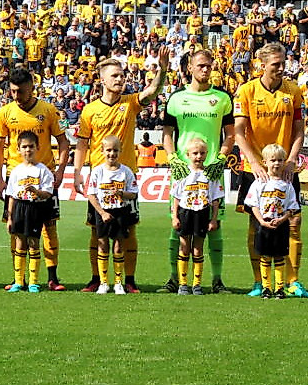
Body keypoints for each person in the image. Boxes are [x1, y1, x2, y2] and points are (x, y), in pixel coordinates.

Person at [75, 47, 169, 293]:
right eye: (115, 76)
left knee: (128, 231)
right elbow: (82, 144)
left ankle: (129, 279)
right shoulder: (90, 110)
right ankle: (97, 279)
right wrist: (77, 172)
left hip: (125, 180)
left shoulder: (129, 103)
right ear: (102, 81)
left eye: (122, 75)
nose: (120, 79)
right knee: (97, 232)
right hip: (99, 180)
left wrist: (162, 70)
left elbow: (153, 91)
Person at [234, 43, 308, 298]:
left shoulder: (293, 91)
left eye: (283, 63)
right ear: (262, 65)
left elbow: (299, 130)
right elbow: (238, 132)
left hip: (284, 167)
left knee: (294, 221)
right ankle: (260, 282)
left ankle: (293, 282)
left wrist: (291, 160)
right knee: (256, 223)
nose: (281, 68)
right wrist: (255, 162)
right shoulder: (246, 91)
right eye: (276, 64)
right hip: (255, 168)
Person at [160, 49, 235, 293]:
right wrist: (173, 158)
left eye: (208, 66)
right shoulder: (176, 98)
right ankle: (174, 278)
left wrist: (221, 158)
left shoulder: (222, 97)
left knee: (214, 224)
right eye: (201, 65)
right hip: (183, 172)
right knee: (178, 225)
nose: (205, 69)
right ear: (190, 68)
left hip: (211, 171)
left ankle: (217, 280)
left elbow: (230, 134)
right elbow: (167, 134)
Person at [0, 67, 70, 290]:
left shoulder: (48, 110)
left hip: (44, 177)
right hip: (16, 177)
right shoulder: (5, 112)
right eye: (13, 91)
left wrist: (60, 171)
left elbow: (63, 142)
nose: (16, 95)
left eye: (21, 91)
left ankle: (52, 277)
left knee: (49, 227)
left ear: (32, 88)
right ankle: (18, 278)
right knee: (15, 228)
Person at [243, 144, 301, 300]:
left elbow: (292, 207)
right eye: (273, 160)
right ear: (265, 162)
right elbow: (253, 204)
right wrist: (261, 221)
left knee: (280, 256)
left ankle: (279, 288)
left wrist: (282, 219)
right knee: (265, 256)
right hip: (263, 225)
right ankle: (266, 287)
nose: (277, 163)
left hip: (281, 225)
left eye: (280, 160)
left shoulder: (287, 184)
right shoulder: (259, 182)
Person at [85, 135, 139, 295]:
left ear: (121, 151)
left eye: (115, 150)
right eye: (108, 150)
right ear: (102, 151)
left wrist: (122, 193)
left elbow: (133, 194)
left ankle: (118, 283)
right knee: (102, 244)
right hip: (103, 212)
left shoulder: (126, 171)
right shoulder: (97, 171)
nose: (112, 153)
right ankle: (103, 283)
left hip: (120, 211)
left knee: (118, 245)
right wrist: (102, 213)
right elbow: (91, 194)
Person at [4, 130, 56, 293]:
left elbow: (48, 193)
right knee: (19, 243)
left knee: (33, 244)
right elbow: (11, 196)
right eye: (24, 147)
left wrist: (36, 191)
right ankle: (18, 281)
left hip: (34, 208)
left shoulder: (43, 170)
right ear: (18, 149)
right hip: (19, 208)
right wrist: (10, 217)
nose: (28, 150)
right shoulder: (16, 171)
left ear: (37, 148)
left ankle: (33, 282)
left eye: (31, 146)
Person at [171, 138, 225, 295]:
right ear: (188, 154)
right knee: (184, 248)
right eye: (195, 153)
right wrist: (174, 217)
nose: (198, 156)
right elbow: (176, 197)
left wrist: (213, 219)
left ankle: (196, 284)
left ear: (206, 154)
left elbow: (215, 200)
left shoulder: (210, 175)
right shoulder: (183, 174)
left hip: (202, 213)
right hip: (185, 213)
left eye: (202, 153)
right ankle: (183, 284)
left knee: (197, 249)